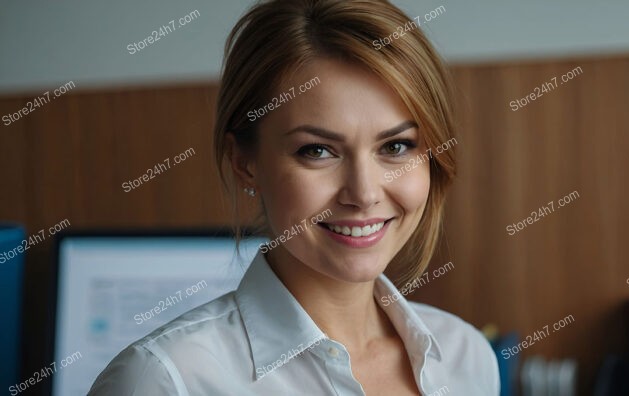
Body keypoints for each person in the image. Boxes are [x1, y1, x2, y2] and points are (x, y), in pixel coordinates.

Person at [89, 0, 499, 394]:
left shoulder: (467, 357)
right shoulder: (161, 380)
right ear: (245, 162)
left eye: (395, 147)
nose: (364, 193)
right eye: (317, 151)